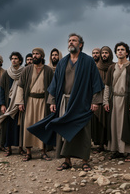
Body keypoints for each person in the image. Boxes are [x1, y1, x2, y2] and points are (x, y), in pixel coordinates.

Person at [28, 33, 103, 172]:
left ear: (80, 44)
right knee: (64, 131)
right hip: (64, 101)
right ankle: (67, 160)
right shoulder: (63, 62)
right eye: (69, 41)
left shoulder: (88, 61)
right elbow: (54, 84)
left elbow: (96, 82)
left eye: (74, 41)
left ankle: (85, 161)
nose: (70, 43)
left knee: (83, 131)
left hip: (82, 101)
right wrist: (52, 101)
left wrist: (96, 101)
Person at [103, 42, 130, 162]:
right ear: (115, 53)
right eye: (118, 50)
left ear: (127, 52)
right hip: (114, 100)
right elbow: (107, 86)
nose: (120, 51)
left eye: (122, 49)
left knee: (128, 126)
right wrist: (106, 101)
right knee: (114, 126)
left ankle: (129, 152)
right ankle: (116, 150)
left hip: (127, 99)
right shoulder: (112, 68)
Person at [13, 48, 54, 161]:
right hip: (29, 100)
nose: (35, 56)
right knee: (28, 125)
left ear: (42, 56)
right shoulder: (27, 70)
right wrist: (20, 102)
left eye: (37, 54)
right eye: (33, 54)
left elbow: (52, 89)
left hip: (43, 102)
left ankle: (43, 152)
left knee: (42, 126)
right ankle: (28, 152)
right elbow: (20, 86)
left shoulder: (48, 70)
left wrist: (51, 102)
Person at [0, 52, 25, 156]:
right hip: (8, 102)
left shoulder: (24, 71)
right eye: (12, 58)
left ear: (20, 60)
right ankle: (8, 148)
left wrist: (22, 102)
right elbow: (1, 89)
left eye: (16, 58)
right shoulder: (7, 73)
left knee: (19, 126)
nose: (13, 60)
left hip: (20, 103)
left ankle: (20, 148)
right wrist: (2, 104)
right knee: (8, 126)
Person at [91, 46, 115, 153]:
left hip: (112, 97)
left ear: (110, 54)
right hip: (99, 97)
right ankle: (100, 145)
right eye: (103, 53)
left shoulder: (114, 67)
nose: (104, 55)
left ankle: (111, 144)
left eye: (106, 53)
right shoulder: (96, 67)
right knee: (99, 121)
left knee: (111, 121)